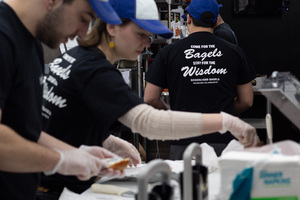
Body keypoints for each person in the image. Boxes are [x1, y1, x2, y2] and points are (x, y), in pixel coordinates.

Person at [38, 0, 261, 198]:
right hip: (53, 188)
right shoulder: (96, 70)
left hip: (46, 180)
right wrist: (225, 121)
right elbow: (148, 123)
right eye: (141, 34)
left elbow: (66, 117)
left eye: (149, 36)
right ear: (112, 27)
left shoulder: (75, 57)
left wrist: (109, 141)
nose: (146, 43)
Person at [0, 0, 126, 199]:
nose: (83, 33)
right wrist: (60, 159)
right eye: (83, 19)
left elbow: (22, 128)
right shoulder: (4, 36)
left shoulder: (31, 42)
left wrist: (77, 153)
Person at [144, 0, 256, 159]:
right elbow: (247, 101)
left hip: (184, 141)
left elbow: (150, 97)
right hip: (224, 140)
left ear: (188, 18)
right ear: (216, 18)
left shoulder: (168, 53)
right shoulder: (235, 52)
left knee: (185, 183)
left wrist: (172, 113)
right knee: (222, 183)